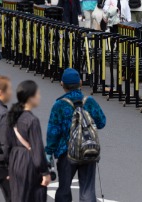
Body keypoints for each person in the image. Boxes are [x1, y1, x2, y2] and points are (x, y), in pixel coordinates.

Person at [45, 68, 106, 202]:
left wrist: (49, 152)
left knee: (64, 189)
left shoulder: (59, 105)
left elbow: (53, 132)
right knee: (87, 190)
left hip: (66, 152)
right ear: (80, 83)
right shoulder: (89, 101)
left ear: (62, 84)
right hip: (88, 149)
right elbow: (102, 122)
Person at [7, 80, 50, 202]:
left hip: (15, 160)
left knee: (18, 197)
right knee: (33, 197)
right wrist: (45, 172)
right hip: (28, 162)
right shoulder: (32, 120)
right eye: (37, 94)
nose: (39, 97)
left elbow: (7, 143)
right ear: (30, 97)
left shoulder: (13, 116)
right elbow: (37, 148)